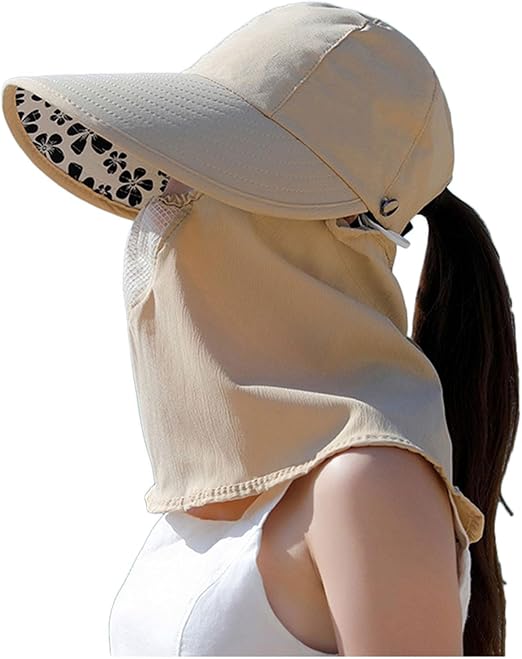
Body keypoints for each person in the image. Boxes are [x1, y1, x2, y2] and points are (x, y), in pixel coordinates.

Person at [1, 3, 517, 656]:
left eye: (200, 179)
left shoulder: (367, 481)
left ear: (329, 222)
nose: (162, 215)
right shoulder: (216, 494)